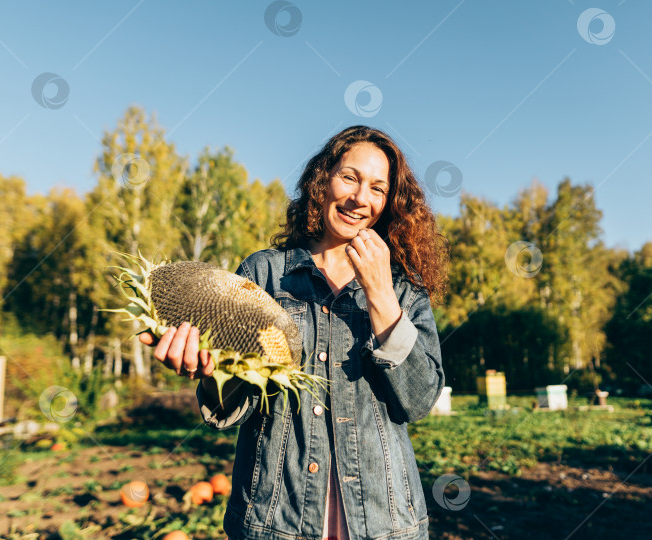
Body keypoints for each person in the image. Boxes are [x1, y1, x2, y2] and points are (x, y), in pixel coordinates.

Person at [140, 125, 449, 539]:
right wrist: (210, 374)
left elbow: (419, 398)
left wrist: (381, 296)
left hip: (384, 523)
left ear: (389, 202)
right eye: (349, 177)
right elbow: (239, 405)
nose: (360, 198)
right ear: (322, 182)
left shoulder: (403, 289)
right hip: (274, 522)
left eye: (378, 188)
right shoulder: (263, 274)